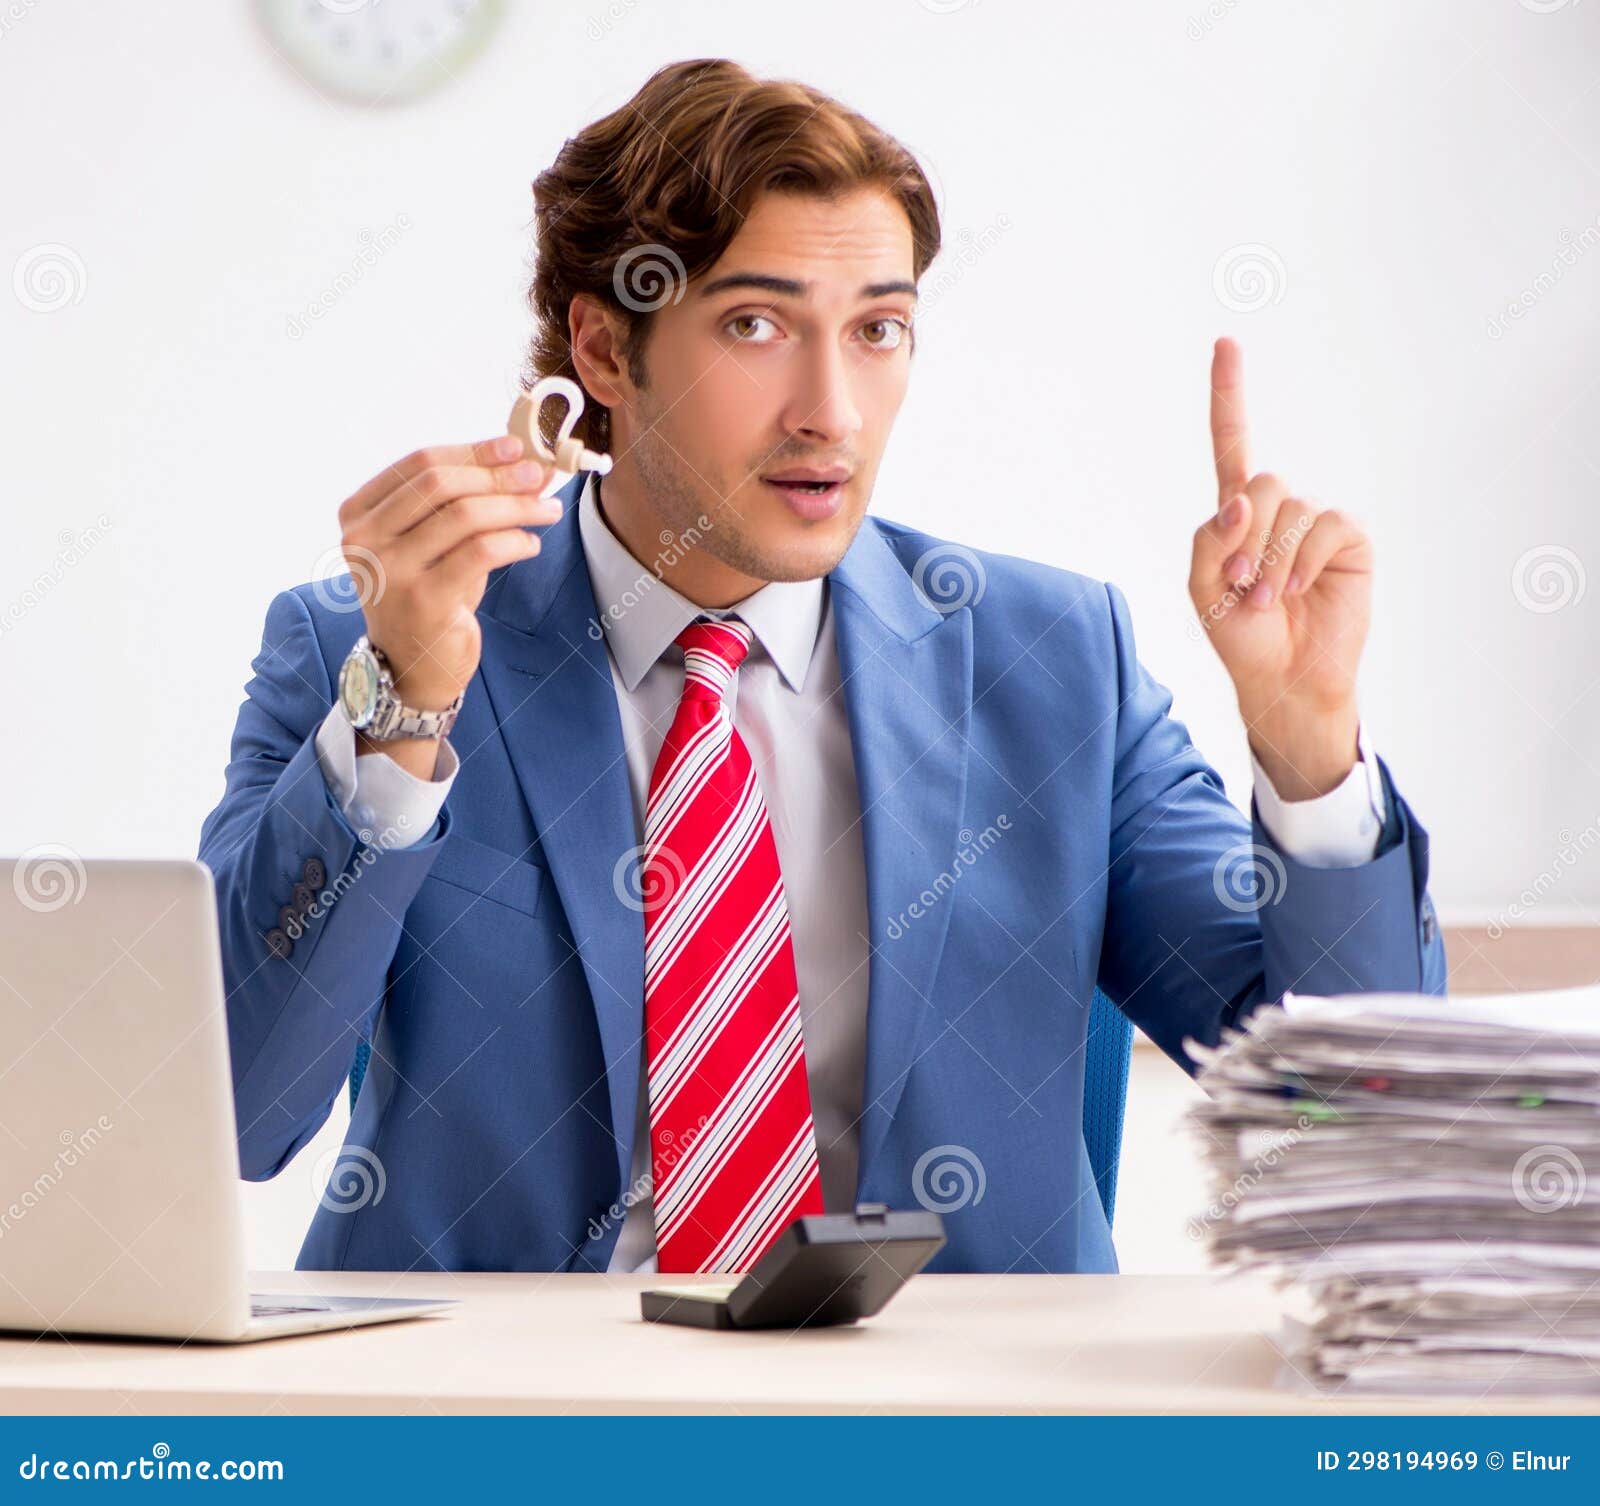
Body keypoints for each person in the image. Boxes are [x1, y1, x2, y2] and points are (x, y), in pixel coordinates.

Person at [197, 57, 1446, 1276]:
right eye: (755, 324)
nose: (831, 410)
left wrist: (1307, 742)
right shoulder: (373, 649)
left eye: (878, 330)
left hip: (948, 1428)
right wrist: (407, 699)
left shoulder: (1055, 664)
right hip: (505, 1417)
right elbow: (238, 1114)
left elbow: (1348, 1122)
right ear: (601, 350)